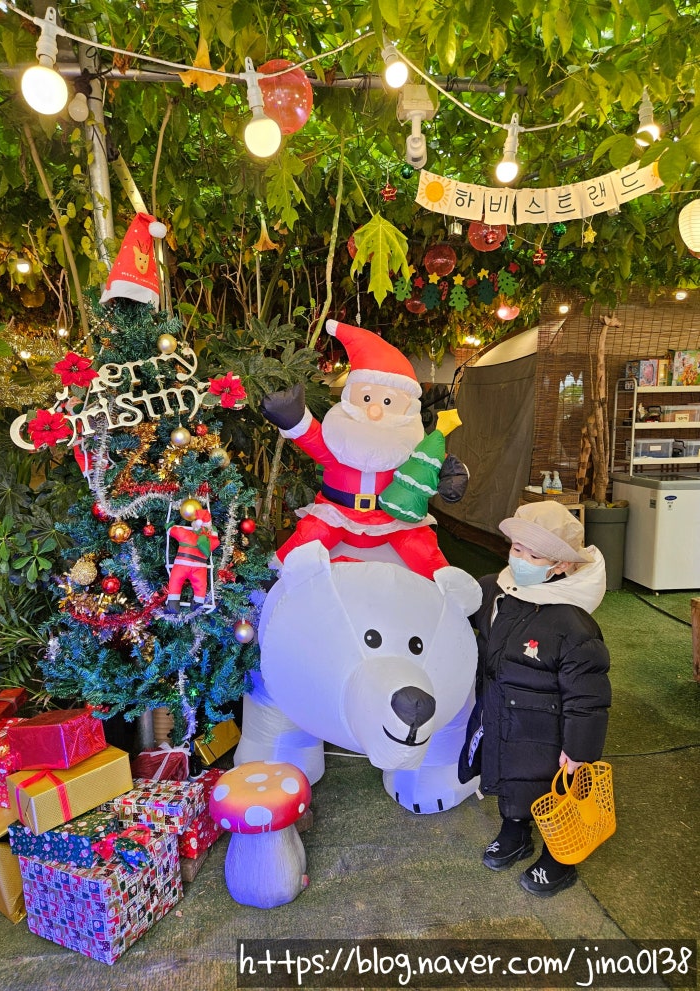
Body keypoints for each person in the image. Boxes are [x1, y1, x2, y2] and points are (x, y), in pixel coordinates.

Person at [459, 500, 611, 896]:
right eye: (517, 549)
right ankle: (515, 832)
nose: (520, 560)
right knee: (511, 777)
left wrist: (579, 751)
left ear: (560, 565)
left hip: (549, 734)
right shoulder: (495, 589)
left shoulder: (573, 624)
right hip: (502, 715)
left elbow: (588, 697)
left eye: (534, 556)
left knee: (555, 792)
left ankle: (561, 858)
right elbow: (463, 611)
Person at [261, 319, 469, 580]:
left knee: (421, 545)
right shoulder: (340, 442)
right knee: (309, 536)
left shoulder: (408, 443)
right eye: (367, 397)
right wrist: (294, 418)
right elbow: (314, 439)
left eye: (388, 401)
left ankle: (447, 585)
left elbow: (429, 459)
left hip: (392, 519)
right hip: (336, 515)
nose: (375, 410)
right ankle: (273, 575)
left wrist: (451, 472)